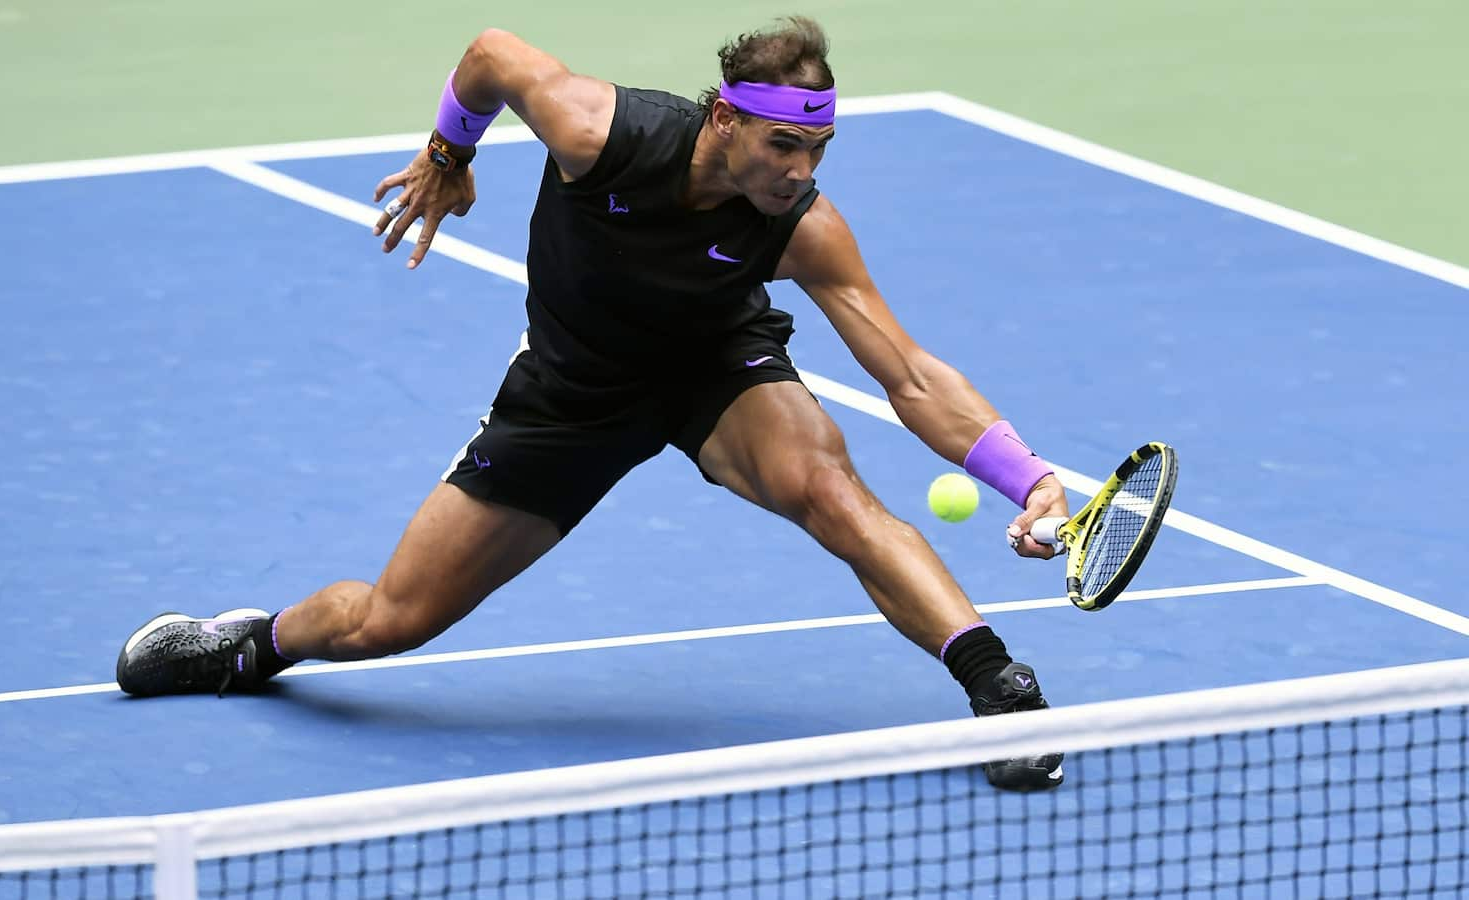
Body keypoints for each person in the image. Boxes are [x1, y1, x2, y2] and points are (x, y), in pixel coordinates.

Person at [115, 17, 1072, 792]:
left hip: (715, 370)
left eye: (818, 148)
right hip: (572, 395)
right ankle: (251, 646)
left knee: (830, 491)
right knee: (389, 623)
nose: (800, 170)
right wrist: (450, 148)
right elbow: (491, 53)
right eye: (784, 144)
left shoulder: (802, 225)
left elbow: (907, 373)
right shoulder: (599, 134)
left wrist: (1026, 478)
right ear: (726, 122)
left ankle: (1000, 687)